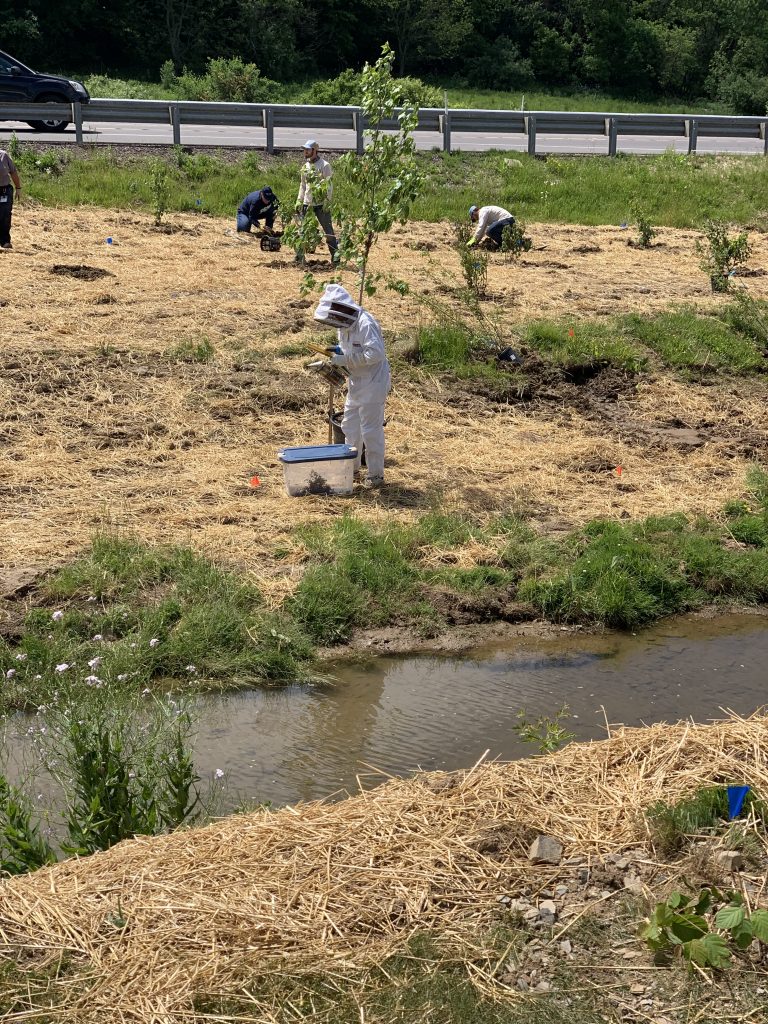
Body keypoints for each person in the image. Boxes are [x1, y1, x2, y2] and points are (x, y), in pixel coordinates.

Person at [313, 284, 390, 488]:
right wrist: (338, 352)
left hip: (373, 383)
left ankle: (375, 476)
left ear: (343, 310)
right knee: (350, 426)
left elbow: (376, 354)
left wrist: (346, 359)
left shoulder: (366, 323)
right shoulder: (343, 327)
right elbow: (349, 349)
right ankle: (352, 469)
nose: (334, 321)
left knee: (370, 430)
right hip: (356, 382)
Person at [297, 140, 338, 260]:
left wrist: (327, 201)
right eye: (304, 149)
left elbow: (329, 186)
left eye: (308, 149)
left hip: (321, 204)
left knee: (328, 231)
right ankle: (299, 257)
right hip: (307, 203)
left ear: (314, 150)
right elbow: (303, 185)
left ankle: (335, 257)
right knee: (302, 230)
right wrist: (299, 200)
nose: (305, 152)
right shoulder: (305, 166)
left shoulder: (325, 165)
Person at [0, 148, 21, 250]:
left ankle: (5, 241)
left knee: (5, 216)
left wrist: (18, 188)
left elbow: (13, 172)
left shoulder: (3, 155)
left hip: (4, 190)